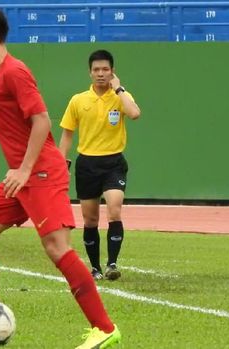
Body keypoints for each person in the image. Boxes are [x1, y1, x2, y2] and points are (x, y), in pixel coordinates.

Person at [0, 8, 121, 349]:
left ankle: (105, 328)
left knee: (57, 248)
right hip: (20, 178)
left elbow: (42, 120)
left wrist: (25, 169)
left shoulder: (15, 71)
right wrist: (20, 172)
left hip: (40, 173)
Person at [58, 49, 141, 281]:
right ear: (90, 73)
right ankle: (94, 268)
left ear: (112, 72)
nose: (101, 74)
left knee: (115, 208)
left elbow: (134, 113)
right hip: (87, 164)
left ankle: (112, 264)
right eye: (96, 70)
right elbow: (66, 135)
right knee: (90, 219)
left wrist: (120, 88)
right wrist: (60, 162)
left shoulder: (120, 96)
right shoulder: (78, 100)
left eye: (105, 69)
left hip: (113, 162)